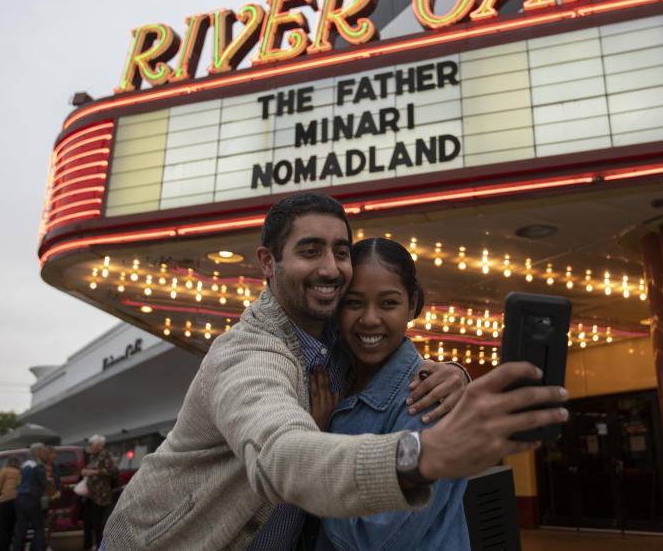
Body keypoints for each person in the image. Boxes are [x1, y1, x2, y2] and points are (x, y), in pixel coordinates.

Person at [103, 192, 568, 550]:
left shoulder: (337, 346)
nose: (330, 268)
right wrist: (423, 454)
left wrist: (454, 373)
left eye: (340, 251)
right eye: (310, 250)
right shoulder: (247, 355)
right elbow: (280, 454)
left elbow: (386, 349)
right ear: (268, 262)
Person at [311, 238, 471, 550]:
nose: (370, 319)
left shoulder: (429, 400)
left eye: (388, 303)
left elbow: (375, 538)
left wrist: (316, 444)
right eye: (354, 302)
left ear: (412, 304)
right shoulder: (331, 377)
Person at [12, 443, 55, 551]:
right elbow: (43, 483)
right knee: (39, 527)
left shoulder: (24, 465)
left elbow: (19, 482)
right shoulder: (38, 465)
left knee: (21, 528)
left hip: (19, 498)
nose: (45, 454)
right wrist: (49, 481)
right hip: (32, 499)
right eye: (43, 452)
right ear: (38, 453)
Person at [81, 435, 115, 549]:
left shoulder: (105, 455)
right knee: (91, 523)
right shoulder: (93, 457)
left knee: (100, 523)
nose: (90, 447)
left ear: (98, 446)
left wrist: (92, 472)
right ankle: (91, 545)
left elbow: (110, 471)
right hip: (92, 496)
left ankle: (101, 547)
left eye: (92, 444)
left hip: (101, 496)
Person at [0, 456, 21, 551]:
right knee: (14, 528)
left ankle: (1, 548)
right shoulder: (20, 472)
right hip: (19, 501)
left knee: (3, 528)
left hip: (6, 501)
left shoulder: (4, 471)